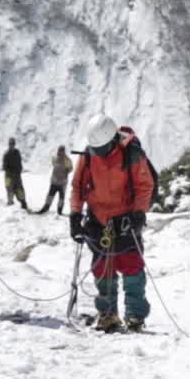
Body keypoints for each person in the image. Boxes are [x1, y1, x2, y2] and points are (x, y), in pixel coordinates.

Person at [69, 114, 155, 332]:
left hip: (126, 220)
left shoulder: (131, 154)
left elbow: (145, 185)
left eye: (102, 149)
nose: (98, 153)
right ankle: (108, 314)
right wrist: (75, 215)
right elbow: (78, 187)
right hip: (98, 221)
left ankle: (135, 316)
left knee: (132, 267)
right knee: (101, 270)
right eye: (95, 148)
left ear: (112, 140)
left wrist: (138, 214)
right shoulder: (89, 155)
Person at [34, 146, 74, 216]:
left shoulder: (67, 160)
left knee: (61, 198)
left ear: (64, 151)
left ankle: (59, 211)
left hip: (62, 183)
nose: (60, 152)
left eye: (61, 151)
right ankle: (45, 208)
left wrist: (66, 171)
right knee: (50, 196)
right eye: (59, 150)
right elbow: (53, 164)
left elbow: (70, 169)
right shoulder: (55, 158)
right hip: (54, 181)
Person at [2, 137, 28, 210]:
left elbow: (20, 163)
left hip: (17, 175)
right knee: (9, 190)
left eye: (13, 144)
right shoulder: (6, 154)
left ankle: (23, 202)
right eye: (10, 144)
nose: (12, 145)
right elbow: (4, 167)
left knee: (20, 189)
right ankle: (10, 203)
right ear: (8, 144)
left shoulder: (17, 153)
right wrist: (11, 171)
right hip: (8, 176)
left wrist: (19, 170)